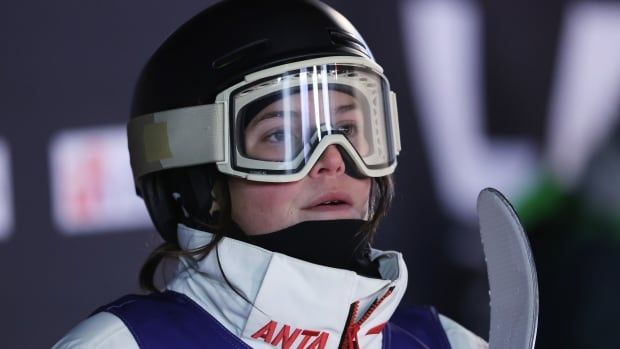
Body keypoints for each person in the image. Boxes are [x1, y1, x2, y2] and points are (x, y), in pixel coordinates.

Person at [53, 0, 487, 348]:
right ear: (202, 183)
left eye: (350, 129)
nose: (333, 159)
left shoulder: (446, 342)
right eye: (281, 135)